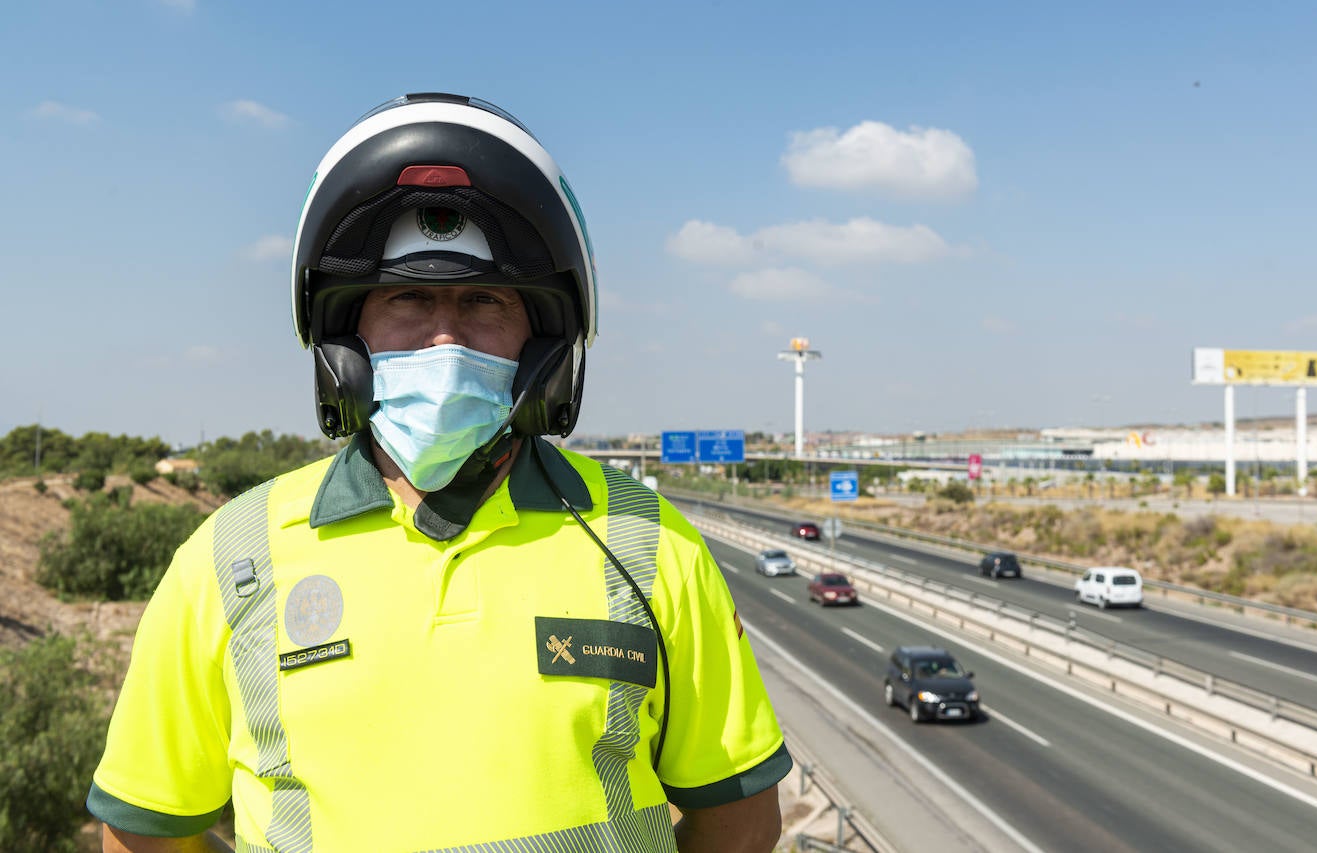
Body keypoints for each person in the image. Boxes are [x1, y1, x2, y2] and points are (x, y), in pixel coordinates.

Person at [86, 93, 792, 852]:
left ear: (542, 341)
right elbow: (143, 831)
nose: (445, 336)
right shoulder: (227, 559)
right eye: (408, 298)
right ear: (344, 338)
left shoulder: (651, 545)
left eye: (484, 300)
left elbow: (739, 823)